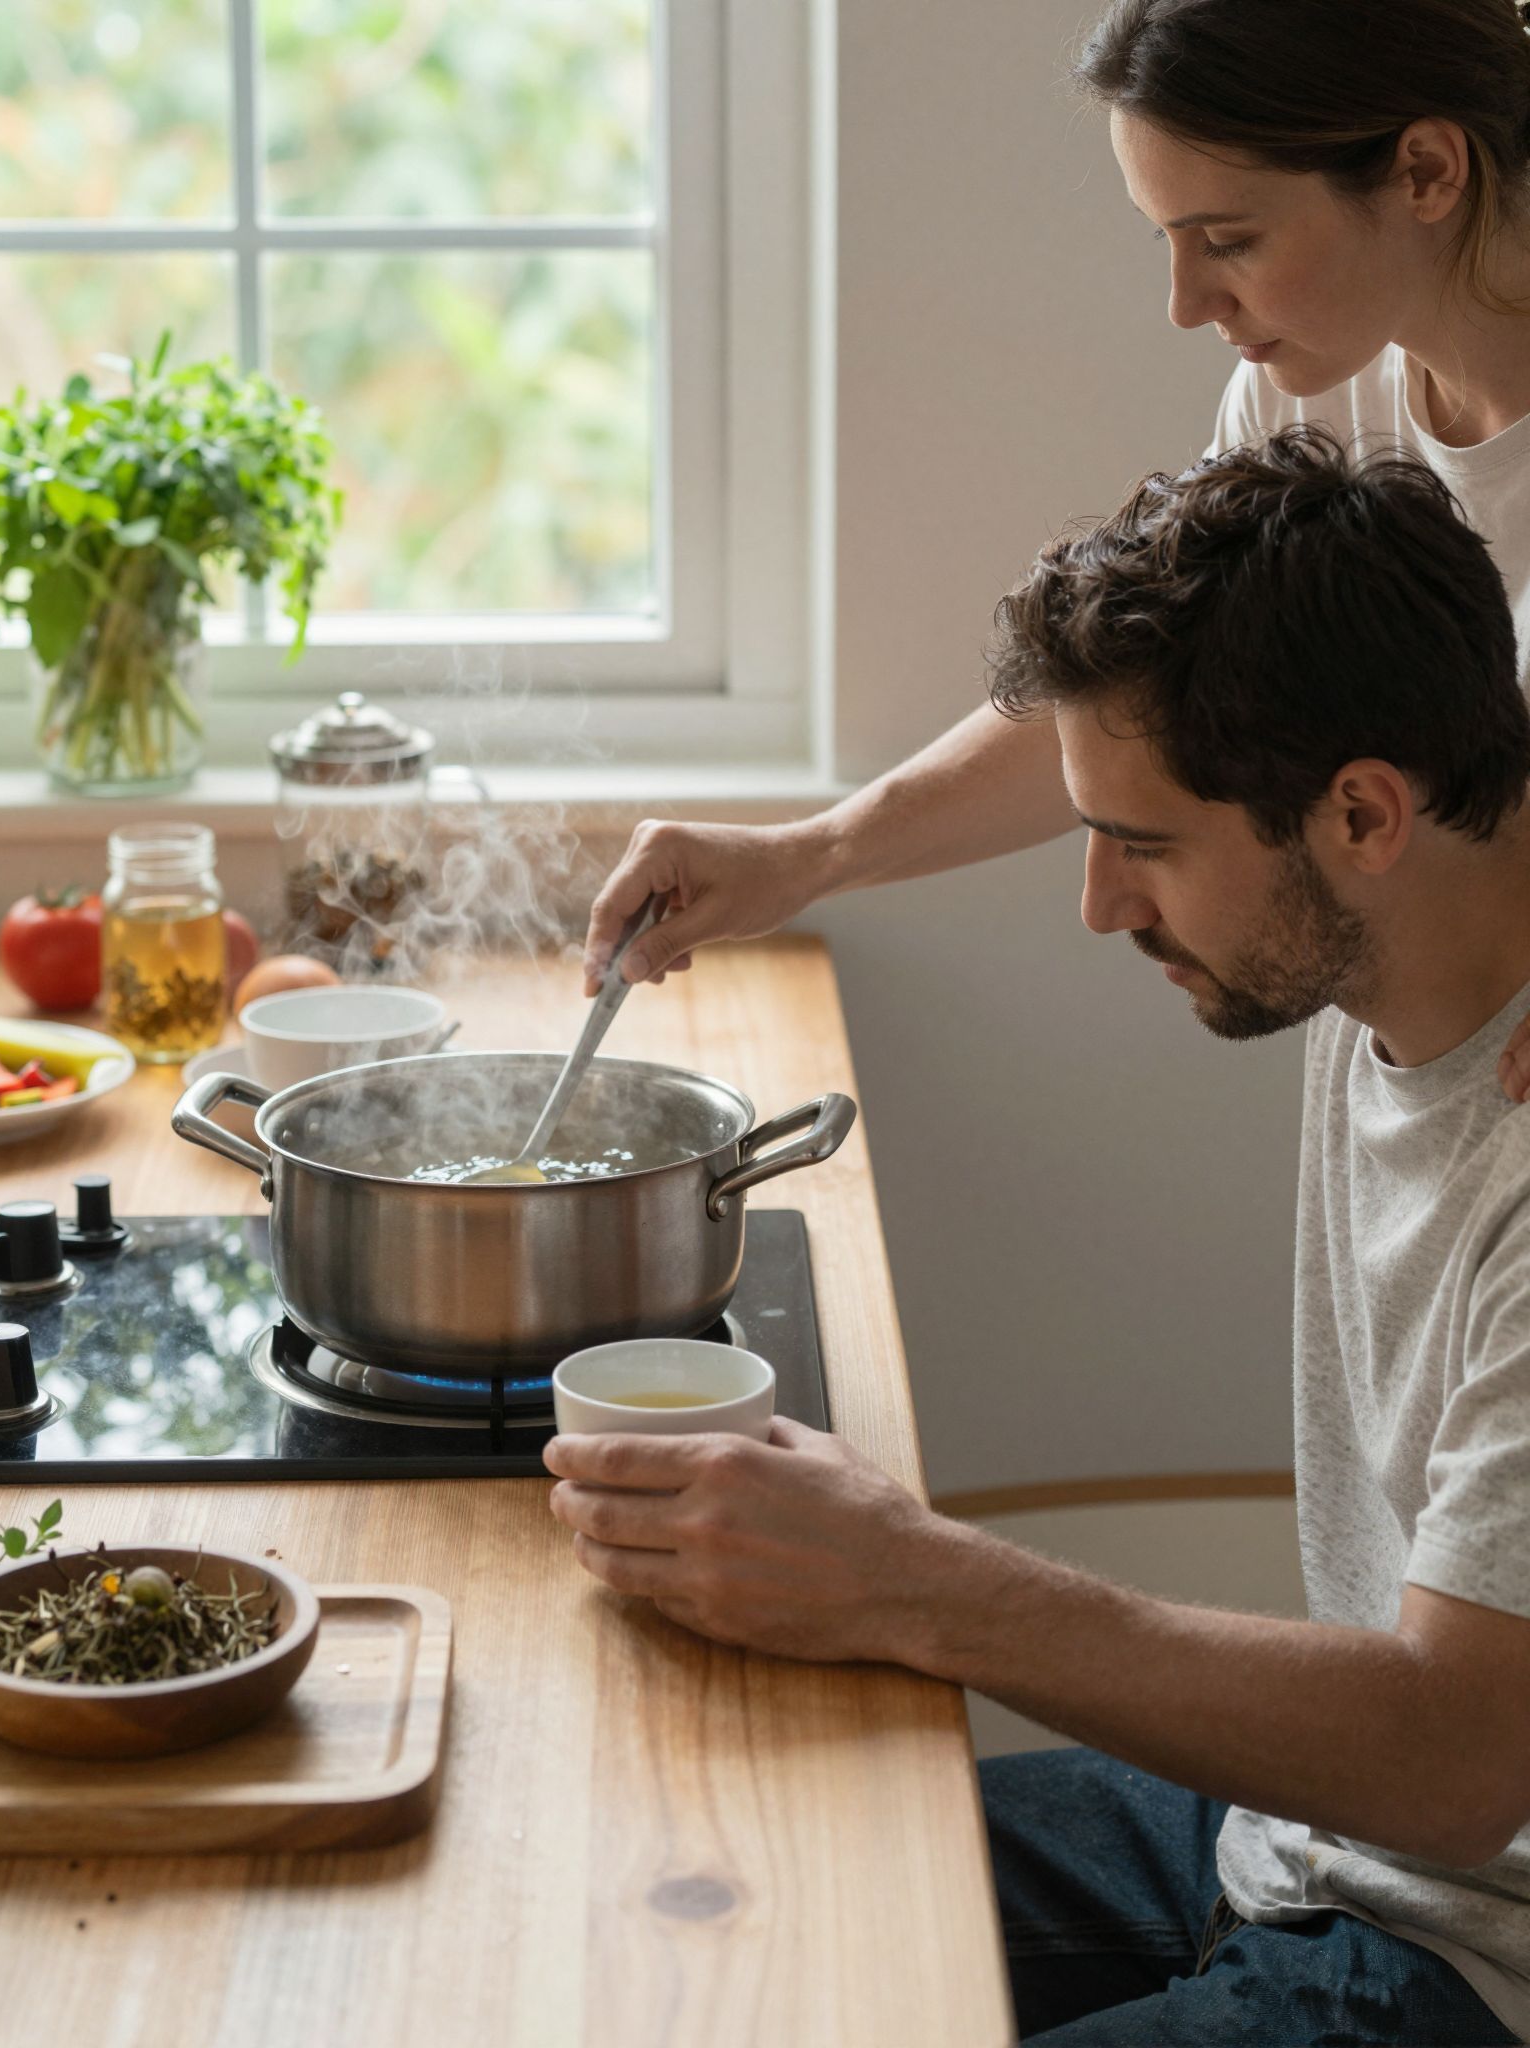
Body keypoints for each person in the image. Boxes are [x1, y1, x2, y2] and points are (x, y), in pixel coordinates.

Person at [546, 427, 1530, 2045]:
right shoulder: (1388, 956)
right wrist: (811, 849)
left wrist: (909, 1578)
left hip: (1460, 1960)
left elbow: (1452, 1754)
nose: (1098, 903)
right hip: (1287, 1846)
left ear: (1361, 813)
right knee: (682, 1891)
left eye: (1141, 843)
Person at [581, 0, 1530, 1099]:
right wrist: (809, 856)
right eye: (1167, 238)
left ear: (1423, 172)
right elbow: (1152, 707)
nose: (1186, 304)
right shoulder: (1316, 392)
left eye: (1230, 240)